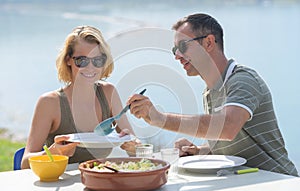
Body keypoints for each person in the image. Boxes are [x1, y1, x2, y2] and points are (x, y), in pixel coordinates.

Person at [127, 13, 298, 176]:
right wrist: (199, 151)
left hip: (279, 182)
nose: (177, 56)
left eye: (183, 46)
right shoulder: (210, 92)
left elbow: (227, 127)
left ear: (209, 43)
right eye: (175, 50)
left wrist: (159, 118)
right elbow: (226, 142)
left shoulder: (243, 80)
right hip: (248, 183)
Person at [21, 25, 136, 169]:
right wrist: (54, 152)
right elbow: (25, 163)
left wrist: (132, 146)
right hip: (61, 185)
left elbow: (136, 150)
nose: (90, 67)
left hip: (101, 182)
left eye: (97, 60)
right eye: (82, 60)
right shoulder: (49, 103)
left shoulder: (108, 93)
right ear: (68, 60)